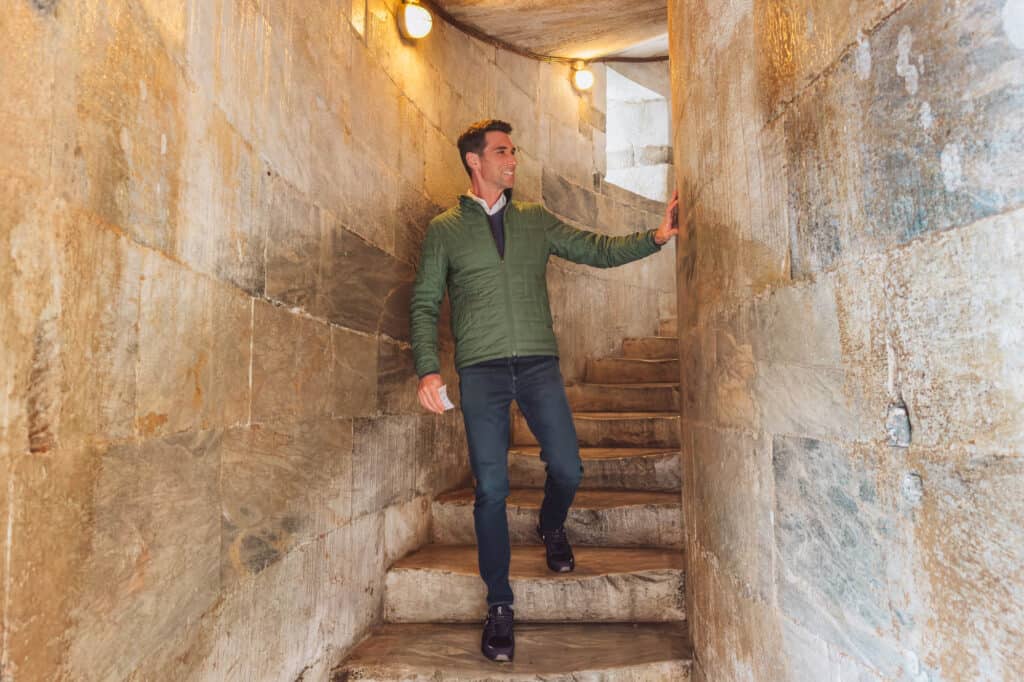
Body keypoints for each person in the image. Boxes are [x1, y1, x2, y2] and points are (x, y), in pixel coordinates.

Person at [409, 119, 679, 662]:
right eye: (502, 152)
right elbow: (423, 303)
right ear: (474, 161)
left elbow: (596, 249)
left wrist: (656, 237)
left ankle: (552, 524)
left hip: (536, 365)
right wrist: (427, 370)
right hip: (481, 373)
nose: (513, 161)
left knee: (570, 467)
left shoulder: (534, 219)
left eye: (514, 152)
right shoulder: (444, 229)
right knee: (490, 489)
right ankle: (500, 604)